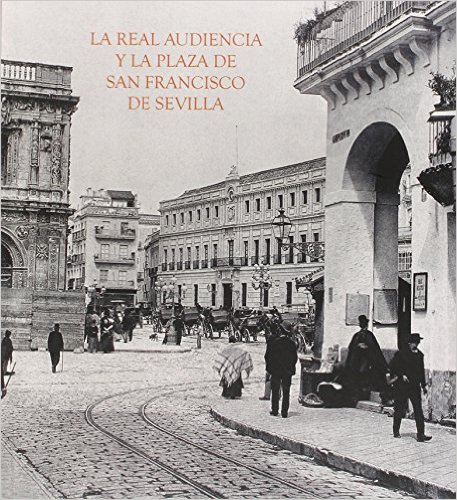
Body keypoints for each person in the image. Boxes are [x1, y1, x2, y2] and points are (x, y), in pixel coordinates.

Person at [388, 333, 432, 442]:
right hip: (402, 386)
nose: (416, 344)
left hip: (414, 386)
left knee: (418, 410)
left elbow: (421, 371)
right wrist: (401, 374)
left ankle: (421, 434)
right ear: (409, 343)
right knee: (400, 408)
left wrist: (424, 385)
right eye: (414, 342)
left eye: (418, 342)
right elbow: (392, 366)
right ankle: (396, 430)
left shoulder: (419, 355)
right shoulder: (401, 354)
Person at [344, 314, 388, 405]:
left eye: (364, 323)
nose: (362, 325)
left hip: (368, 362)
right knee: (356, 377)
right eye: (361, 323)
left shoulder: (369, 335)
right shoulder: (356, 335)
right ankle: (356, 396)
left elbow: (375, 349)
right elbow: (351, 348)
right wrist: (358, 346)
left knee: (370, 377)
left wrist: (366, 348)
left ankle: (369, 395)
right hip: (357, 362)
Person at [265, 321, 298, 418]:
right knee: (286, 391)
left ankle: (275, 410)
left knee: (275, 390)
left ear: (281, 330)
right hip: (287, 371)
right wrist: (290, 367)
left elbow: (268, 356)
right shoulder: (292, 344)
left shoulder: (275, 342)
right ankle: (284, 412)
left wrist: (270, 369)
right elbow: (294, 358)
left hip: (276, 371)